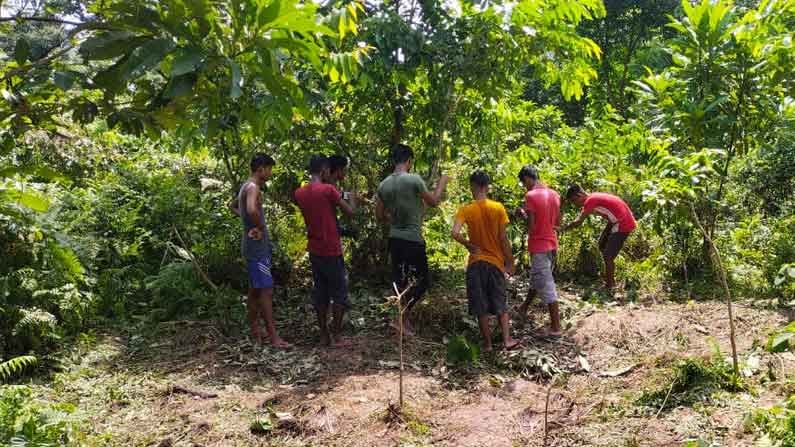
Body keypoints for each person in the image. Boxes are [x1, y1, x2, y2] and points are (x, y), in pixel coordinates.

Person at [375, 144, 450, 336]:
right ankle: (400, 316)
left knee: (401, 281)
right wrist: (442, 183)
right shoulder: (413, 179)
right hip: (412, 240)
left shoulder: (384, 184)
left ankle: (403, 321)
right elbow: (433, 201)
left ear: (394, 161)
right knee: (423, 281)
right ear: (409, 161)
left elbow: (379, 215)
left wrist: (396, 219)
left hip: (395, 239)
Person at [451, 171, 519, 352]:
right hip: (495, 263)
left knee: (480, 305)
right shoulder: (498, 208)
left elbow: (455, 233)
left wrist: (468, 245)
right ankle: (506, 340)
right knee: (500, 303)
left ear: (473, 186)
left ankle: (487, 345)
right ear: (487, 186)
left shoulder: (466, 210)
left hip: (475, 263)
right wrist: (510, 262)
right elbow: (503, 239)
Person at [294, 155, 357, 347]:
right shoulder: (328, 190)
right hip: (331, 249)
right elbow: (351, 212)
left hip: (314, 249)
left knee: (321, 292)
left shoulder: (299, 193)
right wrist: (353, 198)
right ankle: (337, 336)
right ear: (324, 171)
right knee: (339, 293)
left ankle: (324, 335)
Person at [228, 154, 290, 348]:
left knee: (254, 289)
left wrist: (247, 223)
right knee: (266, 290)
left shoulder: (245, 186)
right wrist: (260, 227)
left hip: (252, 246)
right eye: (270, 169)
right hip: (256, 249)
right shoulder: (253, 187)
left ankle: (255, 329)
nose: (271, 173)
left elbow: (234, 206)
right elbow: (251, 209)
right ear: (261, 169)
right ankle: (274, 338)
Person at [515, 165, 562, 337]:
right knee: (537, 278)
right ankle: (524, 308)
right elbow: (558, 222)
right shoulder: (554, 194)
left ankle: (556, 327)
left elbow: (532, 227)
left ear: (527, 178)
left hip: (539, 245)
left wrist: (522, 214)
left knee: (547, 285)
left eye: (523, 182)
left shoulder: (531, 196)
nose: (524, 186)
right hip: (552, 244)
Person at [562, 184, 637, 292]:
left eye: (574, 201)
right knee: (602, 245)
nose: (575, 204)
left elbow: (578, 222)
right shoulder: (593, 197)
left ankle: (610, 286)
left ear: (579, 195)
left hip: (622, 223)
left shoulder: (590, 201)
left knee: (608, 256)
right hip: (616, 221)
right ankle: (608, 277)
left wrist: (563, 228)